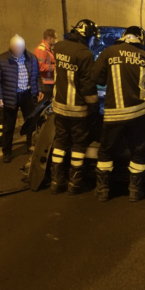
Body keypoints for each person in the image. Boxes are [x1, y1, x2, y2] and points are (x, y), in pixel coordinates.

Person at [92, 26, 145, 202]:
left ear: (123, 37)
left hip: (115, 114)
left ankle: (103, 190)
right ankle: (135, 191)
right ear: (140, 39)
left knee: (106, 151)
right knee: (138, 152)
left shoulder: (109, 52)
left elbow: (96, 78)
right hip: (139, 114)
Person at [50, 20, 100, 195]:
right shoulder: (84, 54)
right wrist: (94, 106)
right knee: (79, 145)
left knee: (60, 142)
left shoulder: (59, 47)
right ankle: (75, 183)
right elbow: (87, 85)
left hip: (59, 106)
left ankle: (56, 181)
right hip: (77, 109)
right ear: (87, 35)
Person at [0, 35, 44, 163]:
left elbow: (37, 76)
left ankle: (31, 147)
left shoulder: (31, 58)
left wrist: (40, 89)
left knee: (30, 123)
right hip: (10, 96)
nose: (18, 51)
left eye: (20, 48)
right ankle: (7, 152)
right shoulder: (1, 60)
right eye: (15, 48)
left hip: (27, 94)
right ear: (10, 47)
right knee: (9, 126)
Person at [34, 29, 57, 100]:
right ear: (50, 38)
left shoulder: (48, 49)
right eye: (55, 38)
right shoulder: (41, 49)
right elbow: (40, 67)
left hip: (50, 82)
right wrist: (56, 67)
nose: (56, 40)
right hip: (45, 84)